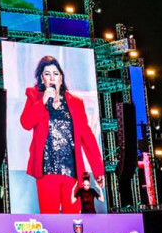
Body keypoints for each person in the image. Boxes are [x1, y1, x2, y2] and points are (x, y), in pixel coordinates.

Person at [20, 56, 105, 213]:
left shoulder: (75, 103)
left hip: (71, 170)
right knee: (49, 218)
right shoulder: (34, 97)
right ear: (41, 78)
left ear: (61, 78)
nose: (52, 77)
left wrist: (98, 169)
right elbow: (26, 123)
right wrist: (43, 101)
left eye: (55, 73)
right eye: (47, 74)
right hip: (47, 169)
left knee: (72, 219)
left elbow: (87, 138)